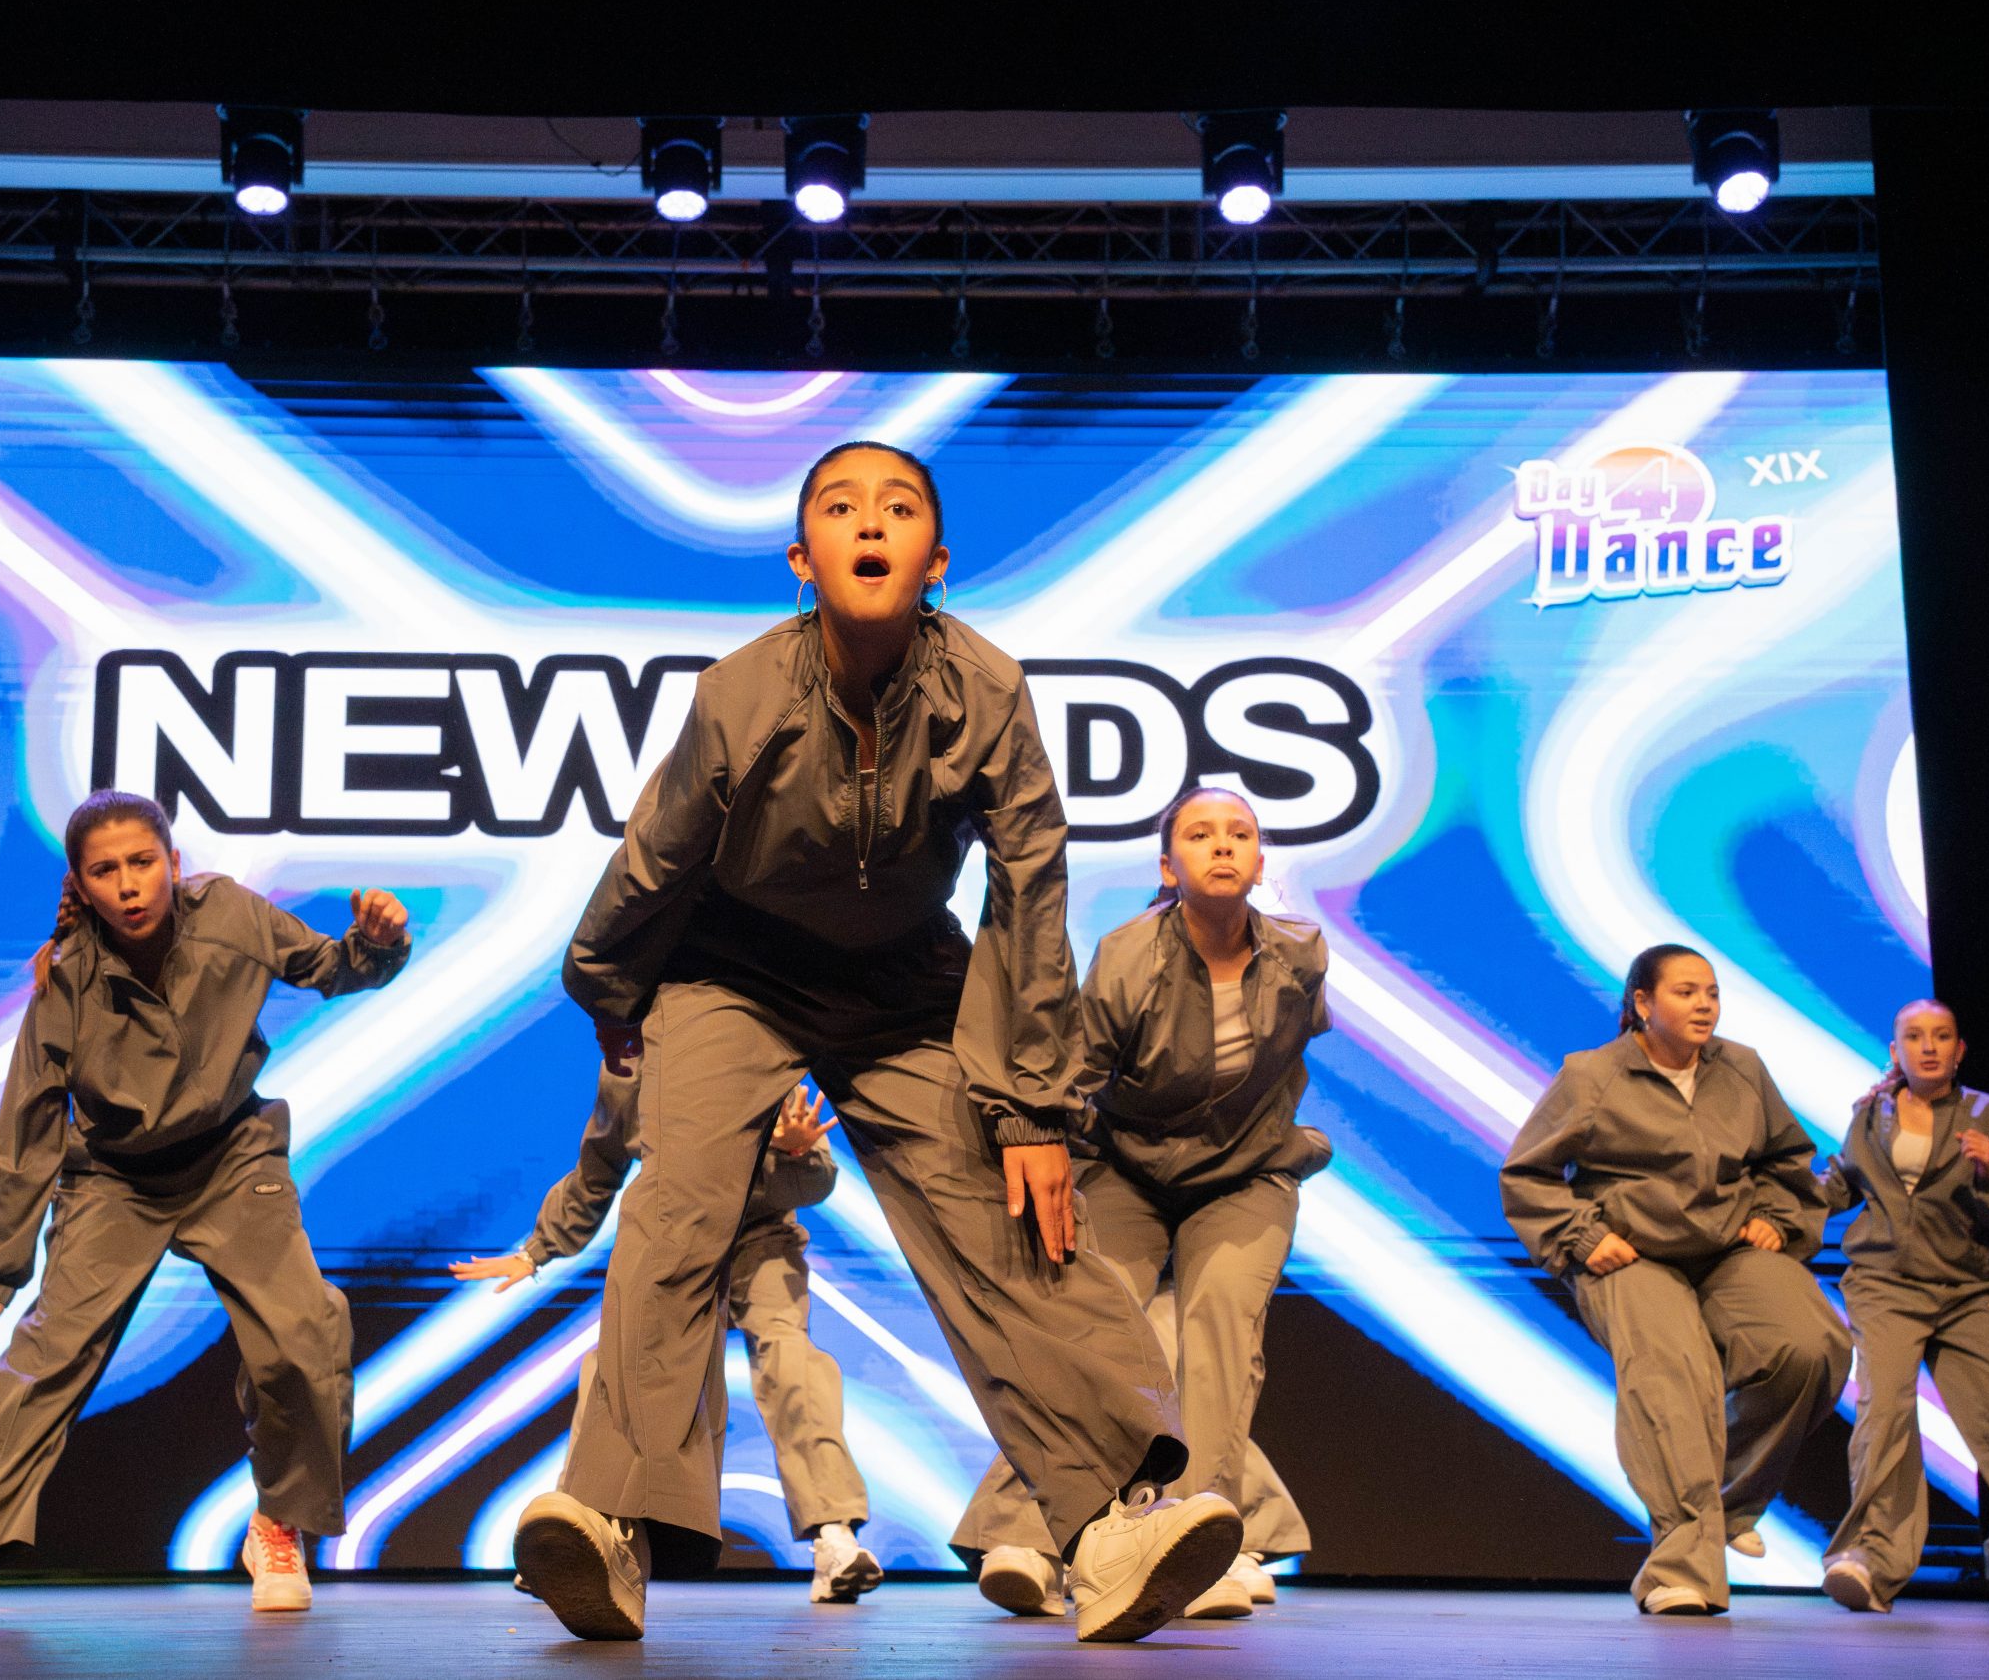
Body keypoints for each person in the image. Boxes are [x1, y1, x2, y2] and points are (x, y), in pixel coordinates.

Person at [512, 440, 1237, 1646]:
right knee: (681, 1210)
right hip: (729, 965)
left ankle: (1112, 1529)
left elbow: (1031, 888)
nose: (868, 523)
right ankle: (611, 1527)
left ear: (933, 562)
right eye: (840, 508)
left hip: (903, 976)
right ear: (802, 559)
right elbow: (657, 854)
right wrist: (606, 985)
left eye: (897, 508)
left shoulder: (988, 690)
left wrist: (1034, 1110)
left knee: (1015, 1213)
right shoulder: (740, 692)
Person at [0, 791, 411, 1626]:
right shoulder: (67, 976)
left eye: (143, 862)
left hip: (231, 1157)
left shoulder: (233, 915)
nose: (130, 884)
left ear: (174, 864)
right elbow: (28, 1127)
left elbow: (332, 966)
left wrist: (377, 943)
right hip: (114, 1178)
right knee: (51, 1353)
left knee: (306, 1331)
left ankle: (278, 1524)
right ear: (81, 884)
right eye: (106, 871)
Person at [951, 786, 1331, 1620]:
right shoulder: (1128, 956)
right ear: (1168, 865)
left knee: (1221, 1326)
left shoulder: (1302, 955)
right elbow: (1080, 1077)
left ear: (1260, 860)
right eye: (1200, 834)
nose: (1223, 845)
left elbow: (1289, 1062)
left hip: (1247, 1172)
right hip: (1129, 1166)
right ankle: (1030, 1534)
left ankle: (1206, 1544)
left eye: (1240, 834)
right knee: (1093, 1329)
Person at [1500, 943, 1848, 1616]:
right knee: (1672, 1374)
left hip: (1727, 1248)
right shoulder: (1593, 1075)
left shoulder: (1741, 1068)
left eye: (1712, 992)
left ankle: (1723, 1508)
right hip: (1631, 1253)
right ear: (1642, 1003)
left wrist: (1777, 1216)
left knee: (1812, 1347)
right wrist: (1581, 1235)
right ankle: (1680, 1568)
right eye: (1686, 992)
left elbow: (1788, 1160)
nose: (1704, 1005)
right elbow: (1527, 1173)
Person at [454, 1073, 881, 1601]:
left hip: (760, 1240)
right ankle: (579, 1535)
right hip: (677, 1236)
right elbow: (597, 1171)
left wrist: (796, 1153)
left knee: (790, 1359)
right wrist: (536, 1250)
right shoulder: (629, 1072)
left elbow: (812, 1185)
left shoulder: (759, 1056)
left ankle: (834, 1537)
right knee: (613, 1363)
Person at [1818, 999, 1989, 1618]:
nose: (1929, 1047)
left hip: (1966, 1288)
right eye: (1915, 1036)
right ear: (1896, 1051)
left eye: (1941, 1036)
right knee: (1884, 1415)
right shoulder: (1871, 1114)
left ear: (1959, 1049)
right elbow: (1839, 1184)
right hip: (1885, 1284)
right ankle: (1870, 1561)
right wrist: (1776, 1208)